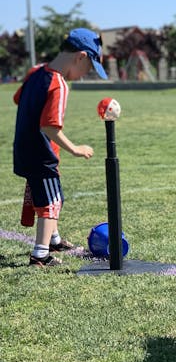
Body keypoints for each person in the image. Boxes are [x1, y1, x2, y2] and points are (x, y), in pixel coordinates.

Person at [13, 27, 108, 267]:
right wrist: (75, 148)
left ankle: (53, 239)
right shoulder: (59, 84)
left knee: (50, 196)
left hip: (24, 149)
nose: (84, 74)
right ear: (81, 57)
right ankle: (41, 253)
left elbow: (18, 98)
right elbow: (49, 126)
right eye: (88, 69)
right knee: (51, 202)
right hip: (41, 154)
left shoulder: (36, 72)